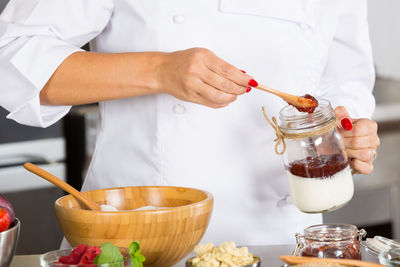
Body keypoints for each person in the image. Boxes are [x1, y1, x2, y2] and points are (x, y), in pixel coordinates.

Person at [0, 0, 380, 245]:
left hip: (283, 239)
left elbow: (343, 83)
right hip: (136, 236)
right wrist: (160, 70)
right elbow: (12, 61)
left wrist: (349, 132)